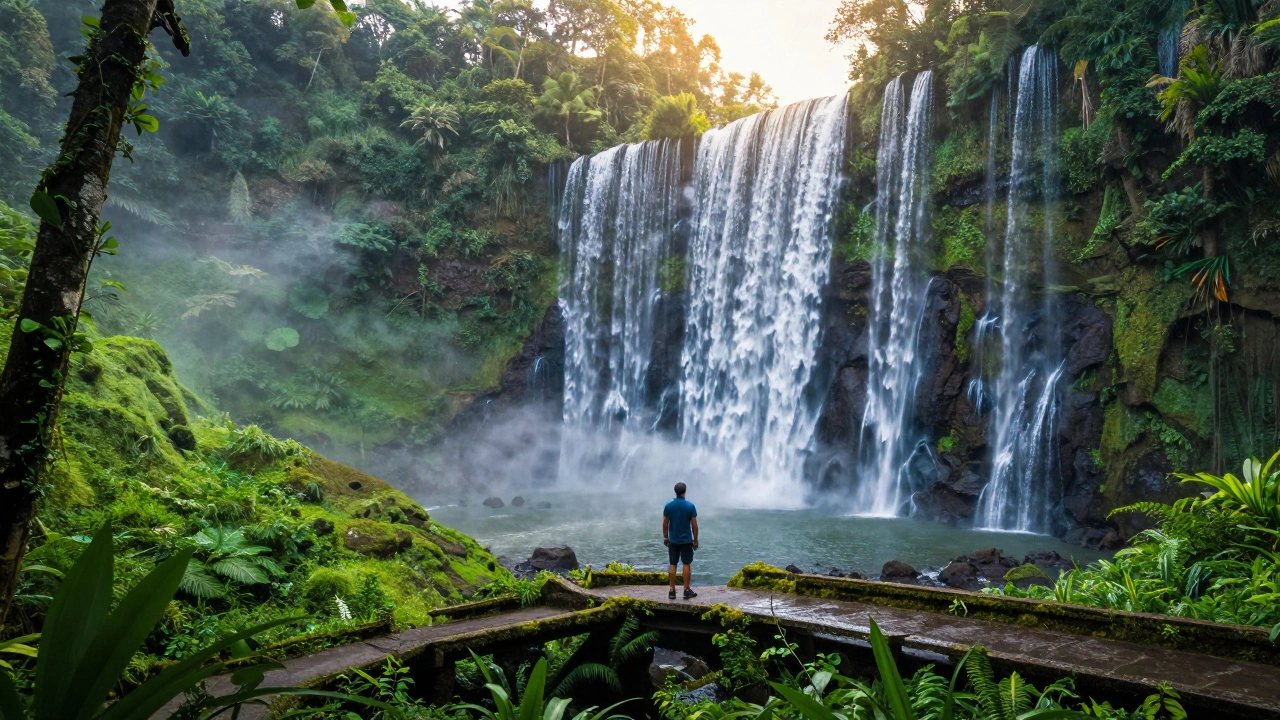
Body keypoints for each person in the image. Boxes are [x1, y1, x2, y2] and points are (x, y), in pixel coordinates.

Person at [662, 481, 699, 599]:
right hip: (686, 540)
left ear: (675, 492)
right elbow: (694, 525)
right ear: (685, 491)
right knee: (686, 563)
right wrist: (696, 540)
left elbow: (665, 524)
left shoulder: (668, 506)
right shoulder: (690, 506)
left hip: (673, 540)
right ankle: (687, 590)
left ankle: (672, 590)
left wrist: (666, 537)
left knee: (673, 564)